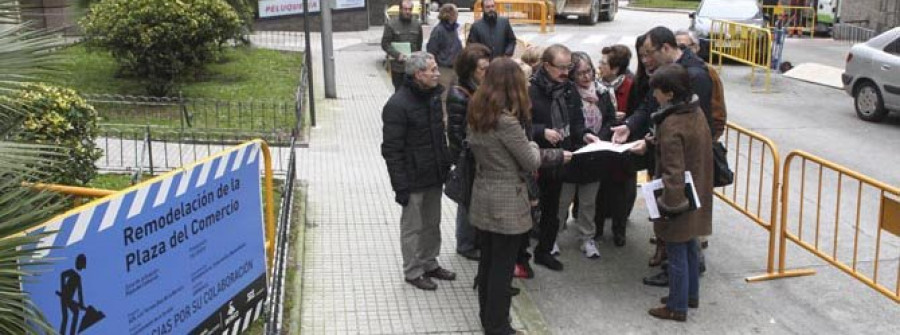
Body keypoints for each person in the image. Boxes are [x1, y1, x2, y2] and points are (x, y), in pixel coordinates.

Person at [467, 57, 569, 335]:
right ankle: (498, 326)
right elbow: (531, 160)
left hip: (484, 194)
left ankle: (487, 317)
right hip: (507, 201)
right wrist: (537, 145)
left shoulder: (478, 111)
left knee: (488, 262)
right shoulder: (506, 121)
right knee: (502, 267)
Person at [629, 63, 713, 322]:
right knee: (689, 247)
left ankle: (677, 306)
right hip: (696, 190)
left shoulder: (672, 123)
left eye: (657, 91)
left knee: (676, 251)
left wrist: (669, 205)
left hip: (680, 198)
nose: (654, 96)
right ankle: (689, 295)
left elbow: (673, 170)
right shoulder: (694, 111)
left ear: (670, 93)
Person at [381, 51, 455, 290]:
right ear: (418, 74)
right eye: (432, 70)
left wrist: (445, 164)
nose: (437, 73)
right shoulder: (397, 105)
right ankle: (413, 271)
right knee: (413, 227)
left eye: (436, 69)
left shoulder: (433, 97)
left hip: (433, 174)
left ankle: (429, 262)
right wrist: (400, 186)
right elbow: (391, 150)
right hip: (412, 179)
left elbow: (438, 137)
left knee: (432, 223)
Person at [529, 44, 600, 271]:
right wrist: (541, 131)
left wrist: (585, 135)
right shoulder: (530, 89)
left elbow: (577, 118)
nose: (566, 72)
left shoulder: (568, 88)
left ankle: (545, 251)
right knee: (527, 209)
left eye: (569, 67)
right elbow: (518, 125)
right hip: (534, 158)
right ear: (546, 66)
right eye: (561, 67)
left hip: (560, 158)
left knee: (552, 209)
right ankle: (521, 257)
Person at [557, 51, 617, 257]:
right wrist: (583, 137)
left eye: (589, 71)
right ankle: (553, 236)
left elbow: (611, 119)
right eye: (580, 73)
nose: (586, 77)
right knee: (563, 200)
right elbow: (569, 123)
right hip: (572, 154)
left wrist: (600, 136)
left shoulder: (603, 92)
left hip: (595, 154)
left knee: (589, 201)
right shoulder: (566, 93)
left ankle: (587, 237)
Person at [447, 43, 491, 261]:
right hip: (468, 157)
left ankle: (474, 240)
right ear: (470, 70)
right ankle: (465, 244)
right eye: (483, 69)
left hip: (479, 155)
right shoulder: (459, 94)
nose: (487, 72)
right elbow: (455, 132)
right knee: (467, 200)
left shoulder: (480, 89)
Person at [594, 44, 636, 247]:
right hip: (601, 143)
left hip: (622, 146)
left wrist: (626, 118)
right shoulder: (596, 85)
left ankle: (619, 230)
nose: (599, 66)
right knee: (599, 190)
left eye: (603, 63)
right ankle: (597, 228)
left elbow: (639, 113)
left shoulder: (631, 85)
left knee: (621, 190)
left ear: (615, 68)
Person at [382, 0, 423, 91]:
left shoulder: (417, 24)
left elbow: (419, 44)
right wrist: (397, 55)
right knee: (400, 92)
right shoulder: (391, 24)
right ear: (400, 9)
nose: (408, 12)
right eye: (405, 9)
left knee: (413, 93)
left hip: (413, 68)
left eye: (410, 9)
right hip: (398, 68)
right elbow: (385, 44)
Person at [427, 3, 463, 103]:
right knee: (444, 97)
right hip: (443, 70)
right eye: (456, 14)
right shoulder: (438, 30)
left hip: (455, 68)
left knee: (455, 97)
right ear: (449, 15)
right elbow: (431, 50)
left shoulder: (453, 29)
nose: (457, 16)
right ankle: (444, 118)